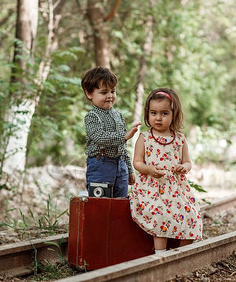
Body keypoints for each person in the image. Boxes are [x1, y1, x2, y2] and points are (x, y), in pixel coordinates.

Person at [129, 88, 202, 254]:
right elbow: (137, 162)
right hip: (151, 189)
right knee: (160, 214)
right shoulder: (145, 138)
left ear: (173, 114)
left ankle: (182, 253)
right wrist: (148, 169)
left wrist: (184, 168)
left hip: (175, 189)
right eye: (153, 113)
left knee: (191, 215)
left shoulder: (179, 139)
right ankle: (160, 254)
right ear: (148, 114)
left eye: (164, 113)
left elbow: (187, 162)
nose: (158, 118)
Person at [81, 67, 141, 198]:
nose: (110, 96)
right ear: (89, 94)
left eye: (113, 91)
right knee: (100, 203)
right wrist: (124, 136)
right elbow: (99, 137)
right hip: (101, 165)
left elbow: (123, 147)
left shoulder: (118, 116)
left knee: (120, 202)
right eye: (103, 92)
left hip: (121, 166)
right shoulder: (92, 116)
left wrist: (130, 170)